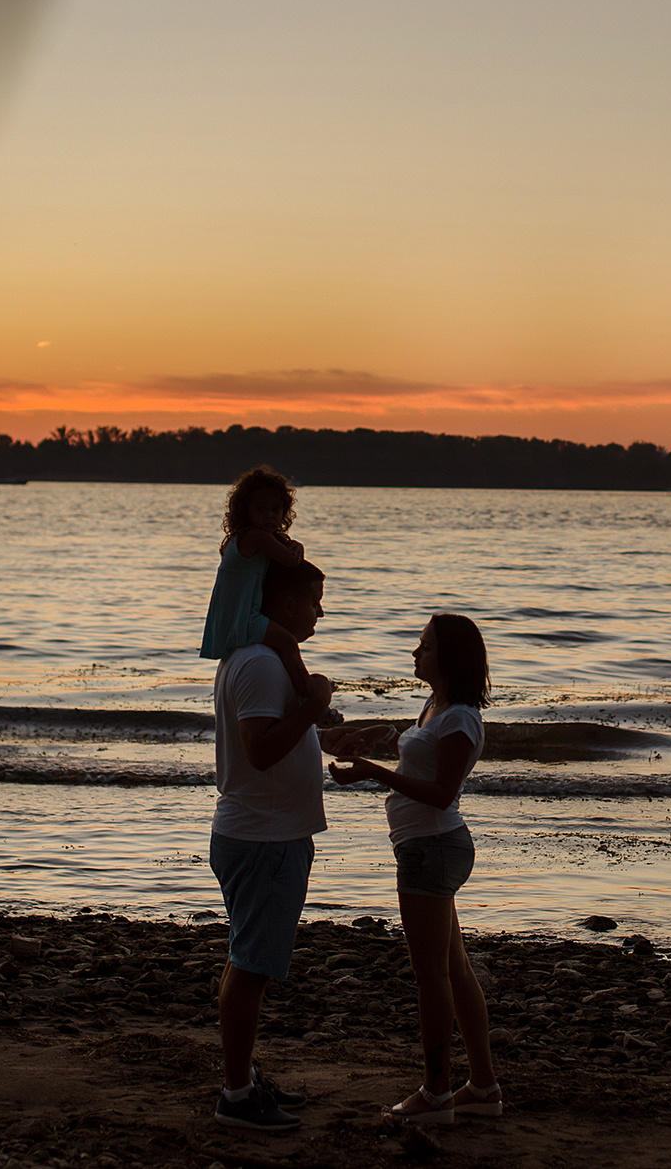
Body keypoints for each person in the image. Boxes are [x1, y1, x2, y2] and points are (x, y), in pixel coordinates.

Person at [209, 558, 384, 1133]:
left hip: (263, 833)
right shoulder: (261, 662)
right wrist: (313, 705)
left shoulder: (262, 660)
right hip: (264, 838)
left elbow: (276, 736)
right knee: (251, 966)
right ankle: (236, 1095)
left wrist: (324, 734)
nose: (320, 611)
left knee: (247, 959)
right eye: (314, 601)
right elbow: (258, 750)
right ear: (284, 604)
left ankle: (243, 1075)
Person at [327, 613, 504, 1126]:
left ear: (447, 657)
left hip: (433, 848)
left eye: (423, 646)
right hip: (427, 847)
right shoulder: (435, 707)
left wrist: (371, 773)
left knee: (431, 978)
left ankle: (436, 1094)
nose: (414, 653)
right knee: (454, 969)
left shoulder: (461, 719)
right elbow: (419, 756)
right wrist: (380, 738)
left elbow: (442, 793)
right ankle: (485, 1088)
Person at [201, 466, 314, 695]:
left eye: (275, 509)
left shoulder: (245, 538)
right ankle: (308, 695)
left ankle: (292, 689)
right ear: (246, 510)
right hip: (242, 617)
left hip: (238, 613)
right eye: (260, 509)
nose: (269, 515)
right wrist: (298, 546)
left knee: (283, 644)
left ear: (284, 511)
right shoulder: (256, 537)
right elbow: (292, 561)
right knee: (288, 643)